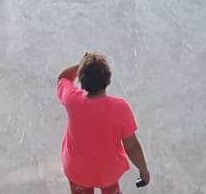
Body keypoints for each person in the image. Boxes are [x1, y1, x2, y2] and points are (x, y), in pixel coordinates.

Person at [56, 52, 151, 193]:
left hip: (77, 171)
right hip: (108, 172)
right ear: (107, 79)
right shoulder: (119, 108)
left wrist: (82, 65)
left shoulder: (72, 100)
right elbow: (131, 146)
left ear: (82, 78)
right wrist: (143, 169)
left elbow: (63, 78)